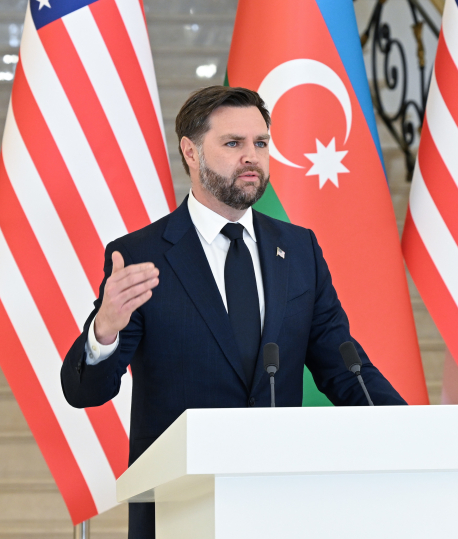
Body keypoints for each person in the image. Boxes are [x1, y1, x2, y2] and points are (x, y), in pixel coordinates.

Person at [61, 85, 406, 539]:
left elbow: (344, 368)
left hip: (279, 508)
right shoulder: (141, 255)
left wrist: (412, 430)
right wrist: (103, 331)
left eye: (260, 143)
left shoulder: (298, 249)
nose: (251, 157)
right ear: (190, 152)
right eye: (233, 143)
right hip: (179, 511)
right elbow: (85, 392)